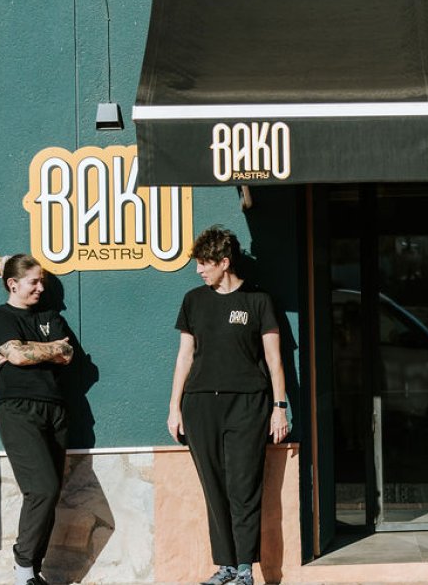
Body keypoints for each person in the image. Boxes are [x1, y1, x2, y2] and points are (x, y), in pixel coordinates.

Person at [167, 226, 289, 585]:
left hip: (248, 405)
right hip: (200, 405)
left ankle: (246, 569)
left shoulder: (258, 301)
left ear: (224, 262)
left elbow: (274, 359)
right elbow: (184, 357)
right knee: (214, 486)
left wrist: (279, 406)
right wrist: (174, 406)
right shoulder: (193, 300)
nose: (198, 270)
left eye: (205, 263)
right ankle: (226, 566)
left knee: (243, 485)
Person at [0, 254, 75, 585]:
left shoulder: (51, 316)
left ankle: (32, 572)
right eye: (34, 281)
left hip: (55, 408)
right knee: (42, 489)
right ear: (13, 283)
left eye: (42, 282)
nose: (40, 287)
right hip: (17, 407)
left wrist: (23, 350)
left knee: (50, 493)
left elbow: (67, 354)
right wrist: (34, 350)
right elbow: (20, 355)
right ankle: (23, 567)